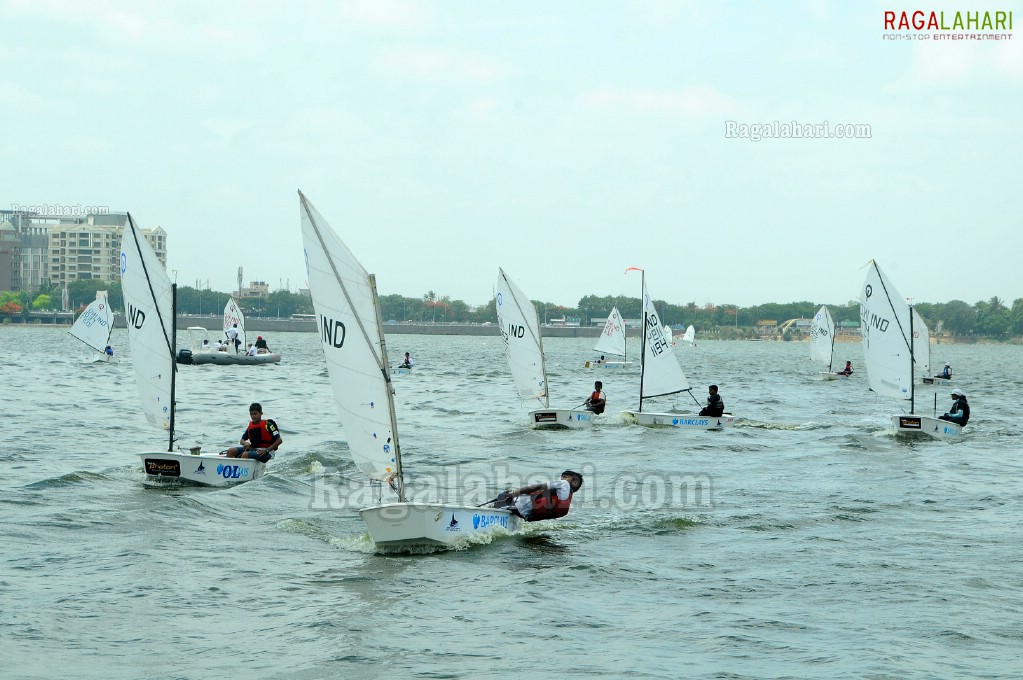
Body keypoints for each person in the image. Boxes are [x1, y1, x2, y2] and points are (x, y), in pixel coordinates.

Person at [491, 470, 584, 522]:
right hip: (524, 513)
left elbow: (536, 487)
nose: (562, 479)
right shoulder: (565, 499)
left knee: (502, 495)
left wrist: (514, 493)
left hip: (519, 506)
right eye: (562, 477)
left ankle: (487, 512)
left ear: (575, 482)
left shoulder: (564, 484)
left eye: (565, 477)